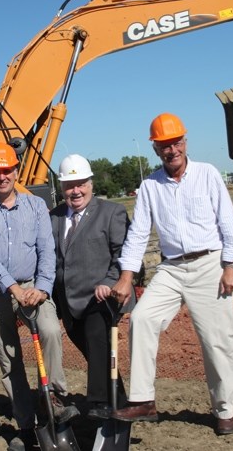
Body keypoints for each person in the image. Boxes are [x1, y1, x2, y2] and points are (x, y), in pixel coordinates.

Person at [109, 112, 233, 436]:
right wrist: (126, 277)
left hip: (209, 265)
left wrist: (231, 265)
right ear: (156, 150)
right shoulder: (149, 187)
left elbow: (228, 222)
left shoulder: (208, 175)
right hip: (170, 268)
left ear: (185, 142)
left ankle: (224, 411)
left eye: (176, 142)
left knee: (218, 342)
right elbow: (138, 235)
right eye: (164, 145)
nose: (172, 150)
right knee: (141, 319)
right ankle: (143, 400)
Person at [0, 142, 79, 451]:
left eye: (8, 170)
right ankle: (26, 426)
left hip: (33, 285)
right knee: (9, 359)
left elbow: (46, 250)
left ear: (16, 171)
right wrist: (12, 288)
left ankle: (54, 398)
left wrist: (41, 288)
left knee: (52, 331)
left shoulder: (35, 206)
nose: (3, 176)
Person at [48, 154, 136, 420]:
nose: (75, 190)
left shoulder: (112, 212)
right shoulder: (54, 217)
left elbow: (124, 253)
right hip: (70, 302)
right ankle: (119, 400)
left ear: (91, 183)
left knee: (98, 341)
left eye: (81, 183)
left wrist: (109, 283)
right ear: (62, 188)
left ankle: (100, 404)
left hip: (103, 299)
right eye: (69, 185)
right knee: (95, 353)